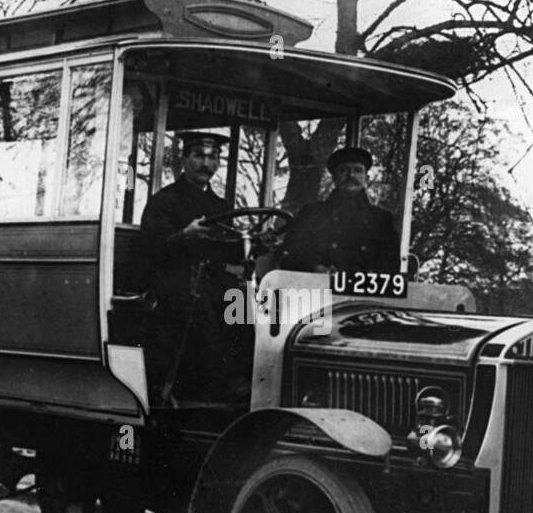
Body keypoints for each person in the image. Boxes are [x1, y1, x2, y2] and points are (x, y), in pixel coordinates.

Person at [138, 131, 249, 404]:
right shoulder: (165, 200)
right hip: (174, 283)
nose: (206, 164)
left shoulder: (219, 205)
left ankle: (239, 380)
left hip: (213, 283)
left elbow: (228, 249)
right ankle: (212, 389)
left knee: (246, 309)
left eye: (213, 157)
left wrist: (253, 244)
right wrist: (183, 235)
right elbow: (152, 248)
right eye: (199, 156)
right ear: (185, 159)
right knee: (204, 315)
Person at [275, 146, 397, 274]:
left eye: (357, 170)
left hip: (366, 291)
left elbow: (391, 264)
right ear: (334, 178)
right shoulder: (312, 214)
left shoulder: (382, 219)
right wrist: (315, 267)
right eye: (344, 170)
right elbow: (291, 253)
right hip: (319, 288)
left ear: (366, 178)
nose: (351, 175)